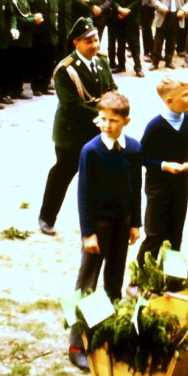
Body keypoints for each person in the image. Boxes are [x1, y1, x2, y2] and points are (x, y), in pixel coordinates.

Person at [69, 90, 142, 370]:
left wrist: (135, 222)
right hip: (97, 228)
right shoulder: (91, 151)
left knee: (114, 283)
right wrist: (88, 233)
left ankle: (108, 336)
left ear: (126, 121)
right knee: (87, 284)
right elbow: (83, 194)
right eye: (102, 119)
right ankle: (77, 343)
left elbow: (136, 186)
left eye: (113, 120)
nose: (107, 124)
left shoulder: (134, 148)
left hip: (121, 226)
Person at [38, 18, 117, 236]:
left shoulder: (101, 61)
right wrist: (104, 116)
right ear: (76, 43)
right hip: (72, 133)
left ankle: (99, 220)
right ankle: (47, 217)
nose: (94, 45)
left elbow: (111, 87)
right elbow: (72, 105)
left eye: (96, 40)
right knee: (63, 174)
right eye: (89, 41)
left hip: (99, 128)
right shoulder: (65, 69)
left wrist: (113, 112)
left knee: (101, 175)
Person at [135, 76, 188, 267]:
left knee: (176, 232)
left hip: (181, 183)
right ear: (169, 101)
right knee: (155, 233)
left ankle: (172, 276)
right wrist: (165, 165)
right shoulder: (155, 126)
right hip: (158, 187)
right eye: (185, 95)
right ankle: (141, 276)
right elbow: (141, 156)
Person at [108, 0, 144, 77]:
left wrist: (127, 10)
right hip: (117, 17)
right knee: (120, 41)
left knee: (134, 42)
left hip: (132, 17)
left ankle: (138, 66)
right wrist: (118, 9)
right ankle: (121, 65)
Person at [150, 0, 188, 69]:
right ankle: (155, 62)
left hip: (175, 15)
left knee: (172, 40)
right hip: (163, 14)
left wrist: (183, 10)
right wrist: (160, 6)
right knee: (158, 40)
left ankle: (169, 61)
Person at [28, 0, 59, 96]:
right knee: (37, 61)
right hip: (39, 35)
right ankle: (36, 86)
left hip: (52, 34)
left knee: (49, 61)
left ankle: (45, 84)